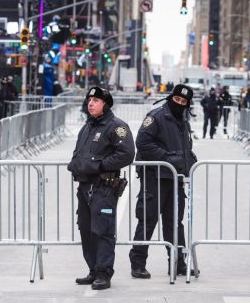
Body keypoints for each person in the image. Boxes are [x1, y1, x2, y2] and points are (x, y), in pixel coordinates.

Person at [67, 87, 134, 290]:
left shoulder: (116, 127)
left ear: (105, 104)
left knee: (103, 231)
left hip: (103, 188)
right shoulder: (87, 127)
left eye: (96, 100)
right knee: (86, 230)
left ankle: (104, 273)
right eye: (89, 99)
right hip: (85, 187)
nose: (91, 103)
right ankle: (94, 270)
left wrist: (99, 166)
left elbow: (127, 154)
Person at [130, 84, 198, 279]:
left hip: (175, 179)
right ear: (170, 98)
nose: (179, 104)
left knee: (175, 223)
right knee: (147, 220)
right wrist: (167, 159)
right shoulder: (157, 116)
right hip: (155, 177)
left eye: (184, 102)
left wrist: (188, 160)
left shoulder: (183, 120)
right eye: (177, 100)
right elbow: (142, 143)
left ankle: (178, 264)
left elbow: (183, 146)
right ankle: (138, 264)